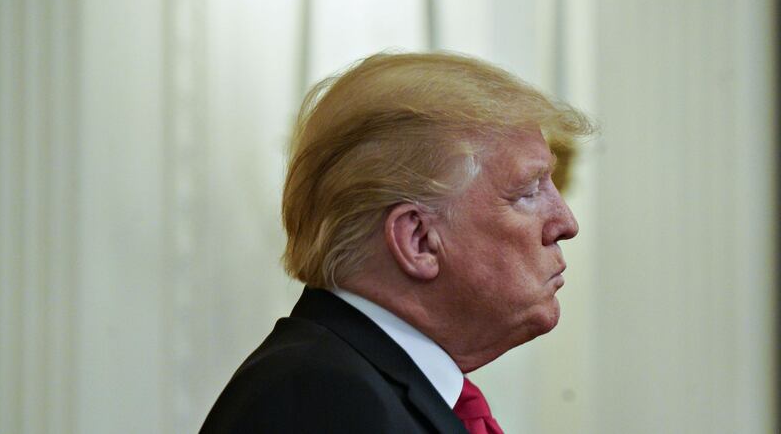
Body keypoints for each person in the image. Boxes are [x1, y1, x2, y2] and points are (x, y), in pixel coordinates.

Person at [200, 52, 595, 433]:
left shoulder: (361, 384)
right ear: (418, 240)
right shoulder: (322, 402)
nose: (566, 223)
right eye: (527, 192)